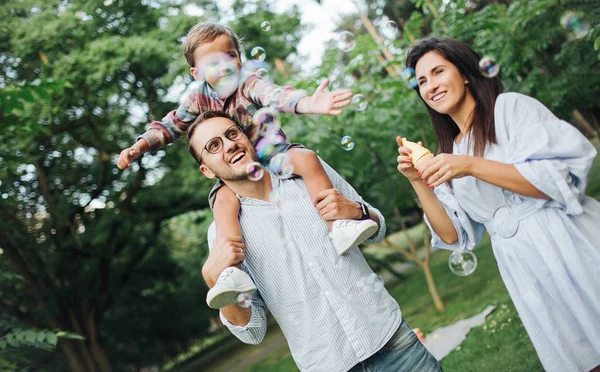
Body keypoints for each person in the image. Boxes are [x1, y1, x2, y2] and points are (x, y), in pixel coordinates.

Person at [116, 22, 378, 309]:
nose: (226, 65)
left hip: (270, 151)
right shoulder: (196, 98)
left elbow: (276, 95)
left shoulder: (249, 83)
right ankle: (231, 274)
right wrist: (141, 145)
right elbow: (172, 125)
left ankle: (338, 225)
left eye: (231, 55)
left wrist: (307, 103)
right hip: (235, 168)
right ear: (197, 72)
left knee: (305, 158)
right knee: (223, 200)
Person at [395, 37, 600, 372]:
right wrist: (417, 180)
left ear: (463, 73)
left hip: (565, 239)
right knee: (579, 357)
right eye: (421, 81)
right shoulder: (453, 150)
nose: (430, 86)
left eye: (437, 72)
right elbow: (451, 235)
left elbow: (553, 181)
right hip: (522, 264)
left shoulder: (510, 109)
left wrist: (472, 166)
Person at [190, 110, 443, 372]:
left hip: (391, 339)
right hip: (327, 364)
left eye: (232, 134)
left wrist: (359, 212)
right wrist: (213, 279)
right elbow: (252, 333)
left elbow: (377, 228)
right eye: (214, 145)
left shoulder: (306, 174)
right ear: (207, 170)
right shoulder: (221, 233)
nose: (229, 145)